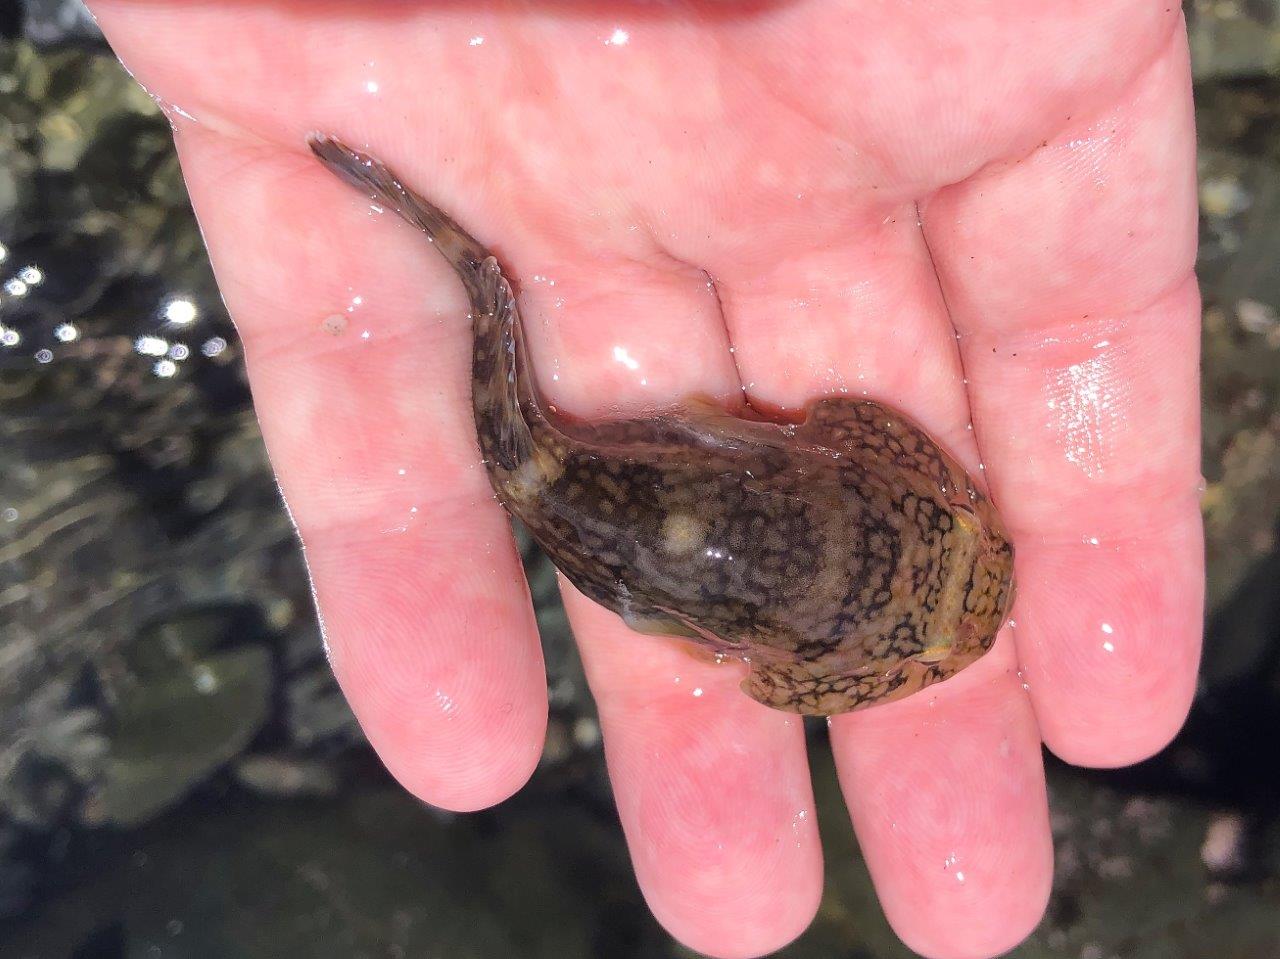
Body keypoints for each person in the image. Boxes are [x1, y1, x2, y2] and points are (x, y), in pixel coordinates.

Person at [88, 2, 1204, 956]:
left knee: (522, 410)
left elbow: (840, 432)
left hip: (679, 492)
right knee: (548, 480)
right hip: (660, 532)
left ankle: (475, 277)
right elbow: (776, 677)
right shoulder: (855, 637)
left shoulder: (914, 501)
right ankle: (480, 288)